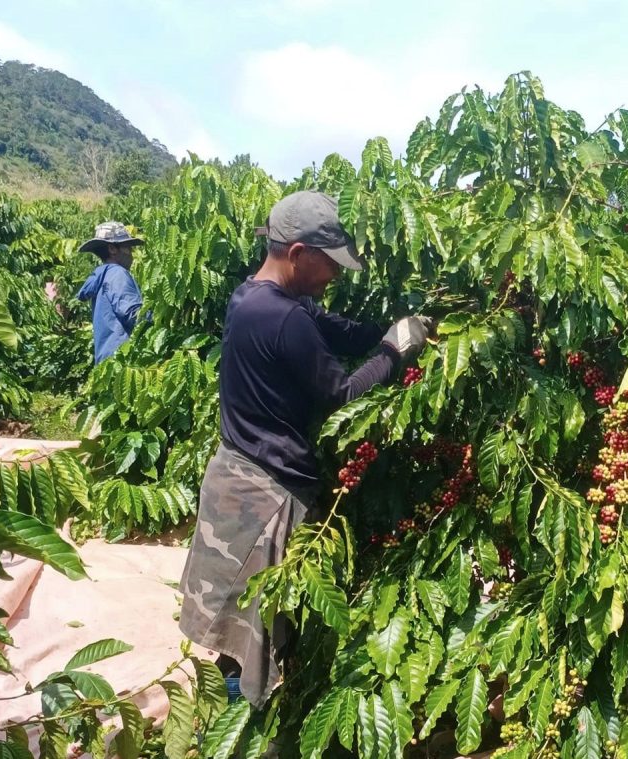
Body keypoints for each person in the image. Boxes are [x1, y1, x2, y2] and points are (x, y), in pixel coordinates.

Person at [178, 191, 432, 707]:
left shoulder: (253, 298)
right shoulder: (286, 319)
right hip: (262, 500)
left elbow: (328, 327)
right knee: (257, 639)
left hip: (234, 475)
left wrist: (375, 334)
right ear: (296, 254)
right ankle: (250, 731)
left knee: (234, 625)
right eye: (328, 264)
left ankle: (235, 712)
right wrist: (392, 351)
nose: (334, 275)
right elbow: (341, 395)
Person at [76, 222, 145, 364]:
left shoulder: (102, 277)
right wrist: (162, 320)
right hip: (123, 361)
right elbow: (133, 314)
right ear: (112, 249)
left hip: (106, 362)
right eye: (128, 248)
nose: (131, 254)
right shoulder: (117, 274)